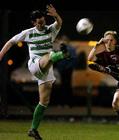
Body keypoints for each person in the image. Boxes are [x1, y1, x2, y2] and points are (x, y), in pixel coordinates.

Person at [0, 4, 69, 140]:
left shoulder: (50, 30)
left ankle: (33, 129)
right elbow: (11, 42)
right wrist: (1, 54)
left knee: (44, 102)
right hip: (35, 64)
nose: (42, 24)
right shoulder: (29, 32)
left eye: (43, 21)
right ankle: (62, 54)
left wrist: (55, 15)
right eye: (39, 22)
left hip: (47, 67)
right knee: (50, 56)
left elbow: (59, 22)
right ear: (33, 23)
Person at [53, 35, 77, 107]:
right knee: (64, 87)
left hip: (67, 71)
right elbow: (57, 60)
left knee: (66, 87)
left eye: (64, 40)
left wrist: (66, 68)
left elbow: (73, 60)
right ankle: (65, 103)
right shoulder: (61, 49)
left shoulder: (71, 49)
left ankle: (67, 104)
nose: (63, 42)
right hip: (63, 71)